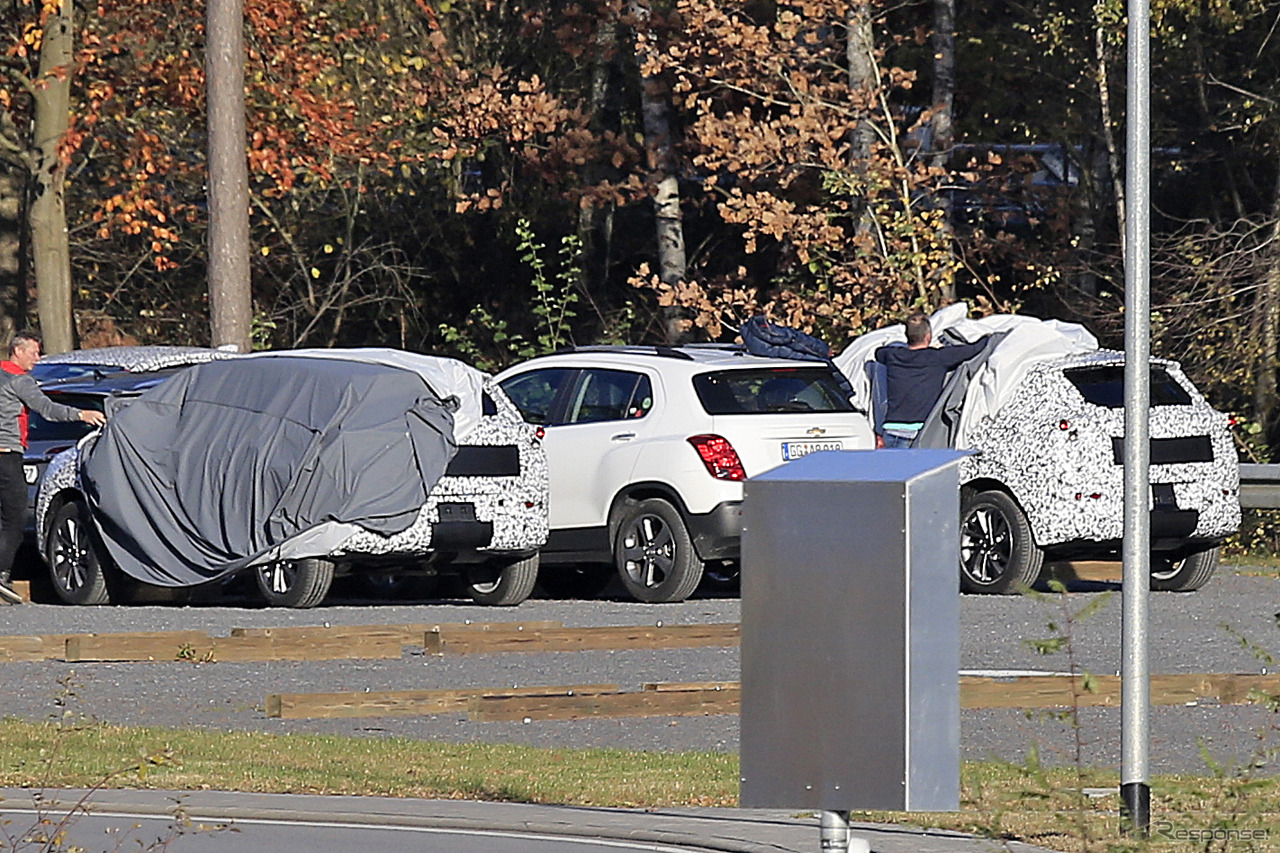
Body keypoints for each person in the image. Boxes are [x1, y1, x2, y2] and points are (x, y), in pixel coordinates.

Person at [0, 331, 106, 604]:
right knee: (14, 516)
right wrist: (81, 414)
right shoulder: (20, 381)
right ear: (18, 351)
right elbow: (46, 409)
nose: (37, 358)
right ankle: (1, 573)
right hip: (7, 454)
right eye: (33, 352)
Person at [874, 311, 988, 448]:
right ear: (928, 337)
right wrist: (990, 336)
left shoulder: (892, 355)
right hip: (918, 432)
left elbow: (878, 352)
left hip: (890, 429)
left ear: (907, 336)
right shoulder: (937, 357)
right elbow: (975, 349)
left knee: (892, 469)